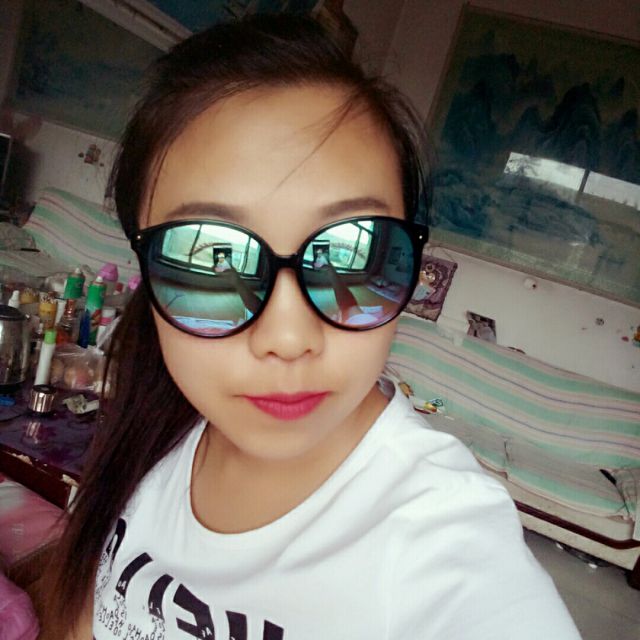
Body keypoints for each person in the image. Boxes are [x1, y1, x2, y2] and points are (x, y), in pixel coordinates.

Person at [42, 14, 581, 640]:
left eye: (352, 254)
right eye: (210, 258)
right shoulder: (154, 420)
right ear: (146, 264)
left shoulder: (439, 540)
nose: (289, 338)